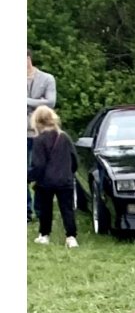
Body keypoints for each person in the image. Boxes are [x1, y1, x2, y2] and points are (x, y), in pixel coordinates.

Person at [28, 105, 78, 247]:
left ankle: (44, 235)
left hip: (46, 181)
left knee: (45, 208)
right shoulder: (64, 136)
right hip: (65, 180)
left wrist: (29, 178)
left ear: (36, 121)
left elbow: (39, 164)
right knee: (67, 209)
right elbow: (74, 159)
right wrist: (70, 172)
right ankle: (71, 237)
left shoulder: (39, 140)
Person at [27, 50, 56, 222]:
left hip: (41, 133)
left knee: (42, 173)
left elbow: (50, 102)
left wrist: (26, 101)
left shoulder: (46, 79)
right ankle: (26, 212)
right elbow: (44, 102)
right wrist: (39, 102)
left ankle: (41, 210)